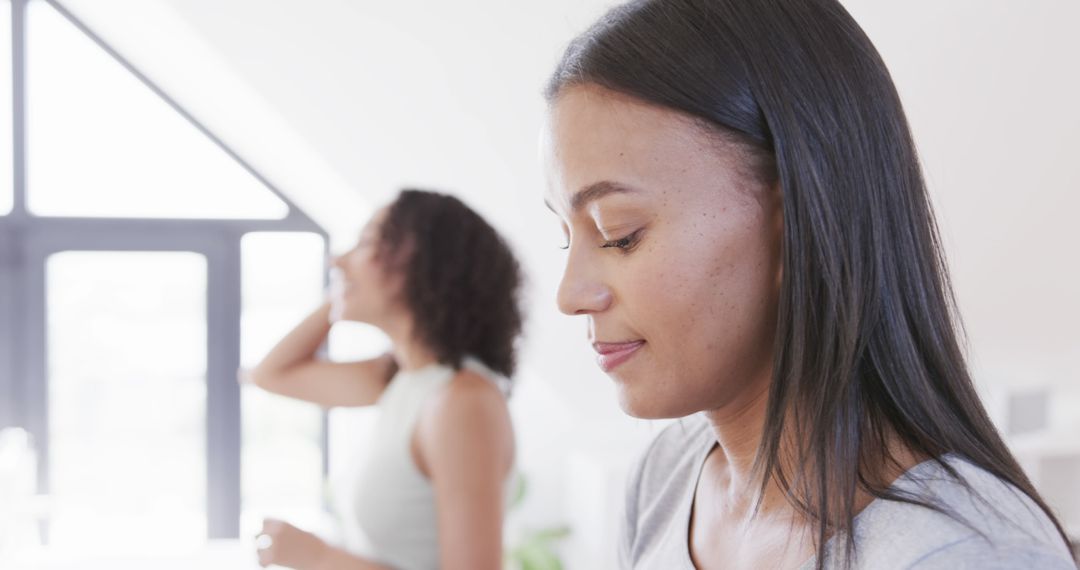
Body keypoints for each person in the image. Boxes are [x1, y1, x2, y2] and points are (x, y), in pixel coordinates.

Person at [540, 1, 1076, 568]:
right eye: (564, 235)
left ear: (794, 224)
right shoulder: (666, 480)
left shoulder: (962, 555)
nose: (570, 295)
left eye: (618, 233)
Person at [245, 189, 523, 570]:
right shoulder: (401, 378)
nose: (337, 259)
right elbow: (272, 374)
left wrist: (319, 558)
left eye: (366, 243)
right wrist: (348, 281)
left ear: (421, 262)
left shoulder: (461, 400)